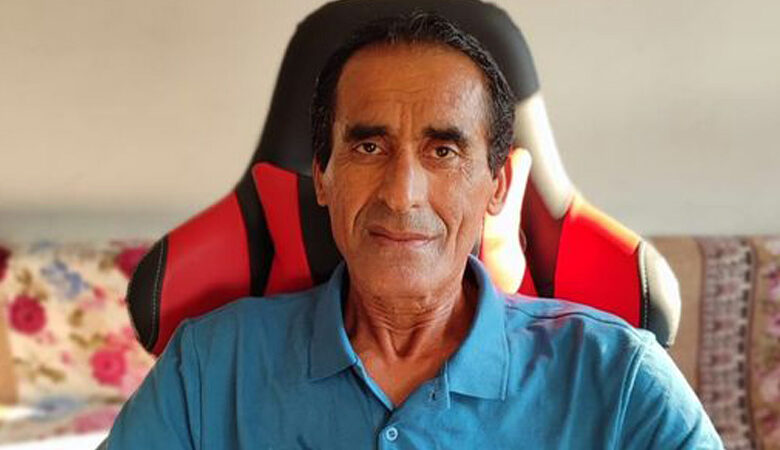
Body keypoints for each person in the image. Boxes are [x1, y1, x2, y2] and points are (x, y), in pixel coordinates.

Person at [103, 12, 723, 449]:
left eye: (444, 151)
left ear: (498, 186)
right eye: (368, 146)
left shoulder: (619, 379)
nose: (402, 194)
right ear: (323, 177)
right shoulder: (209, 366)